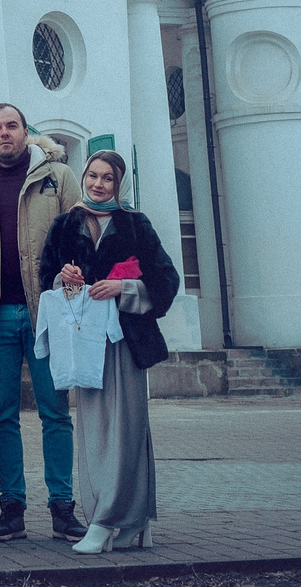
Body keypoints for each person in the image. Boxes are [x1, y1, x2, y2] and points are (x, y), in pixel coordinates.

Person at [39, 151, 179, 554]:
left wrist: (124, 289)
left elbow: (167, 281)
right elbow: (47, 278)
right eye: (93, 176)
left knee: (128, 430)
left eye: (108, 179)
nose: (98, 185)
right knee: (95, 434)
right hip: (83, 343)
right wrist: (66, 280)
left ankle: (108, 521)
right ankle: (126, 518)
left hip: (127, 344)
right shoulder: (65, 225)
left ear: (120, 185)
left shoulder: (135, 224)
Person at [0, 102, 82, 541]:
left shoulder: (57, 175)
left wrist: (73, 276)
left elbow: (81, 233)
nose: (4, 133)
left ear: (25, 130)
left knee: (55, 413)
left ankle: (62, 508)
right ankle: (11, 508)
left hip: (47, 311)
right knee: (3, 417)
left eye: (12, 126)